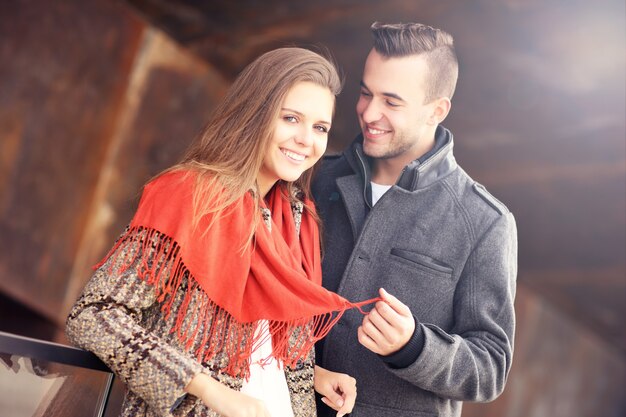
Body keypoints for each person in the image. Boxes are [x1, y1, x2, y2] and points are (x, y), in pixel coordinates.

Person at [66, 47, 365, 417]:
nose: (307, 139)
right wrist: (210, 391)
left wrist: (312, 375)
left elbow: (257, 343)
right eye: (291, 118)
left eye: (320, 127)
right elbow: (93, 315)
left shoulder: (299, 219)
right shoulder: (189, 195)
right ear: (255, 114)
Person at [312, 22, 518, 417]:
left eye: (391, 101)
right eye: (366, 92)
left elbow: (491, 368)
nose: (369, 112)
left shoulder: (485, 222)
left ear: (436, 111)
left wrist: (414, 346)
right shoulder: (315, 178)